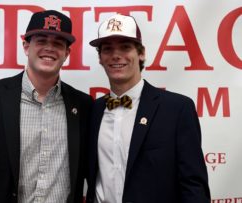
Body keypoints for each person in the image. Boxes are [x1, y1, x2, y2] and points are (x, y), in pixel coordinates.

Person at [0, 10, 93, 203]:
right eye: (41, 41)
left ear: (67, 53)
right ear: (26, 46)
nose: (49, 48)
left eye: (58, 43)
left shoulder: (83, 105)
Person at [86, 14, 210, 203]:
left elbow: (194, 186)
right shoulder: (92, 111)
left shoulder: (177, 109)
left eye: (125, 47)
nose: (116, 55)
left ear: (141, 53)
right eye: (107, 49)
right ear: (100, 58)